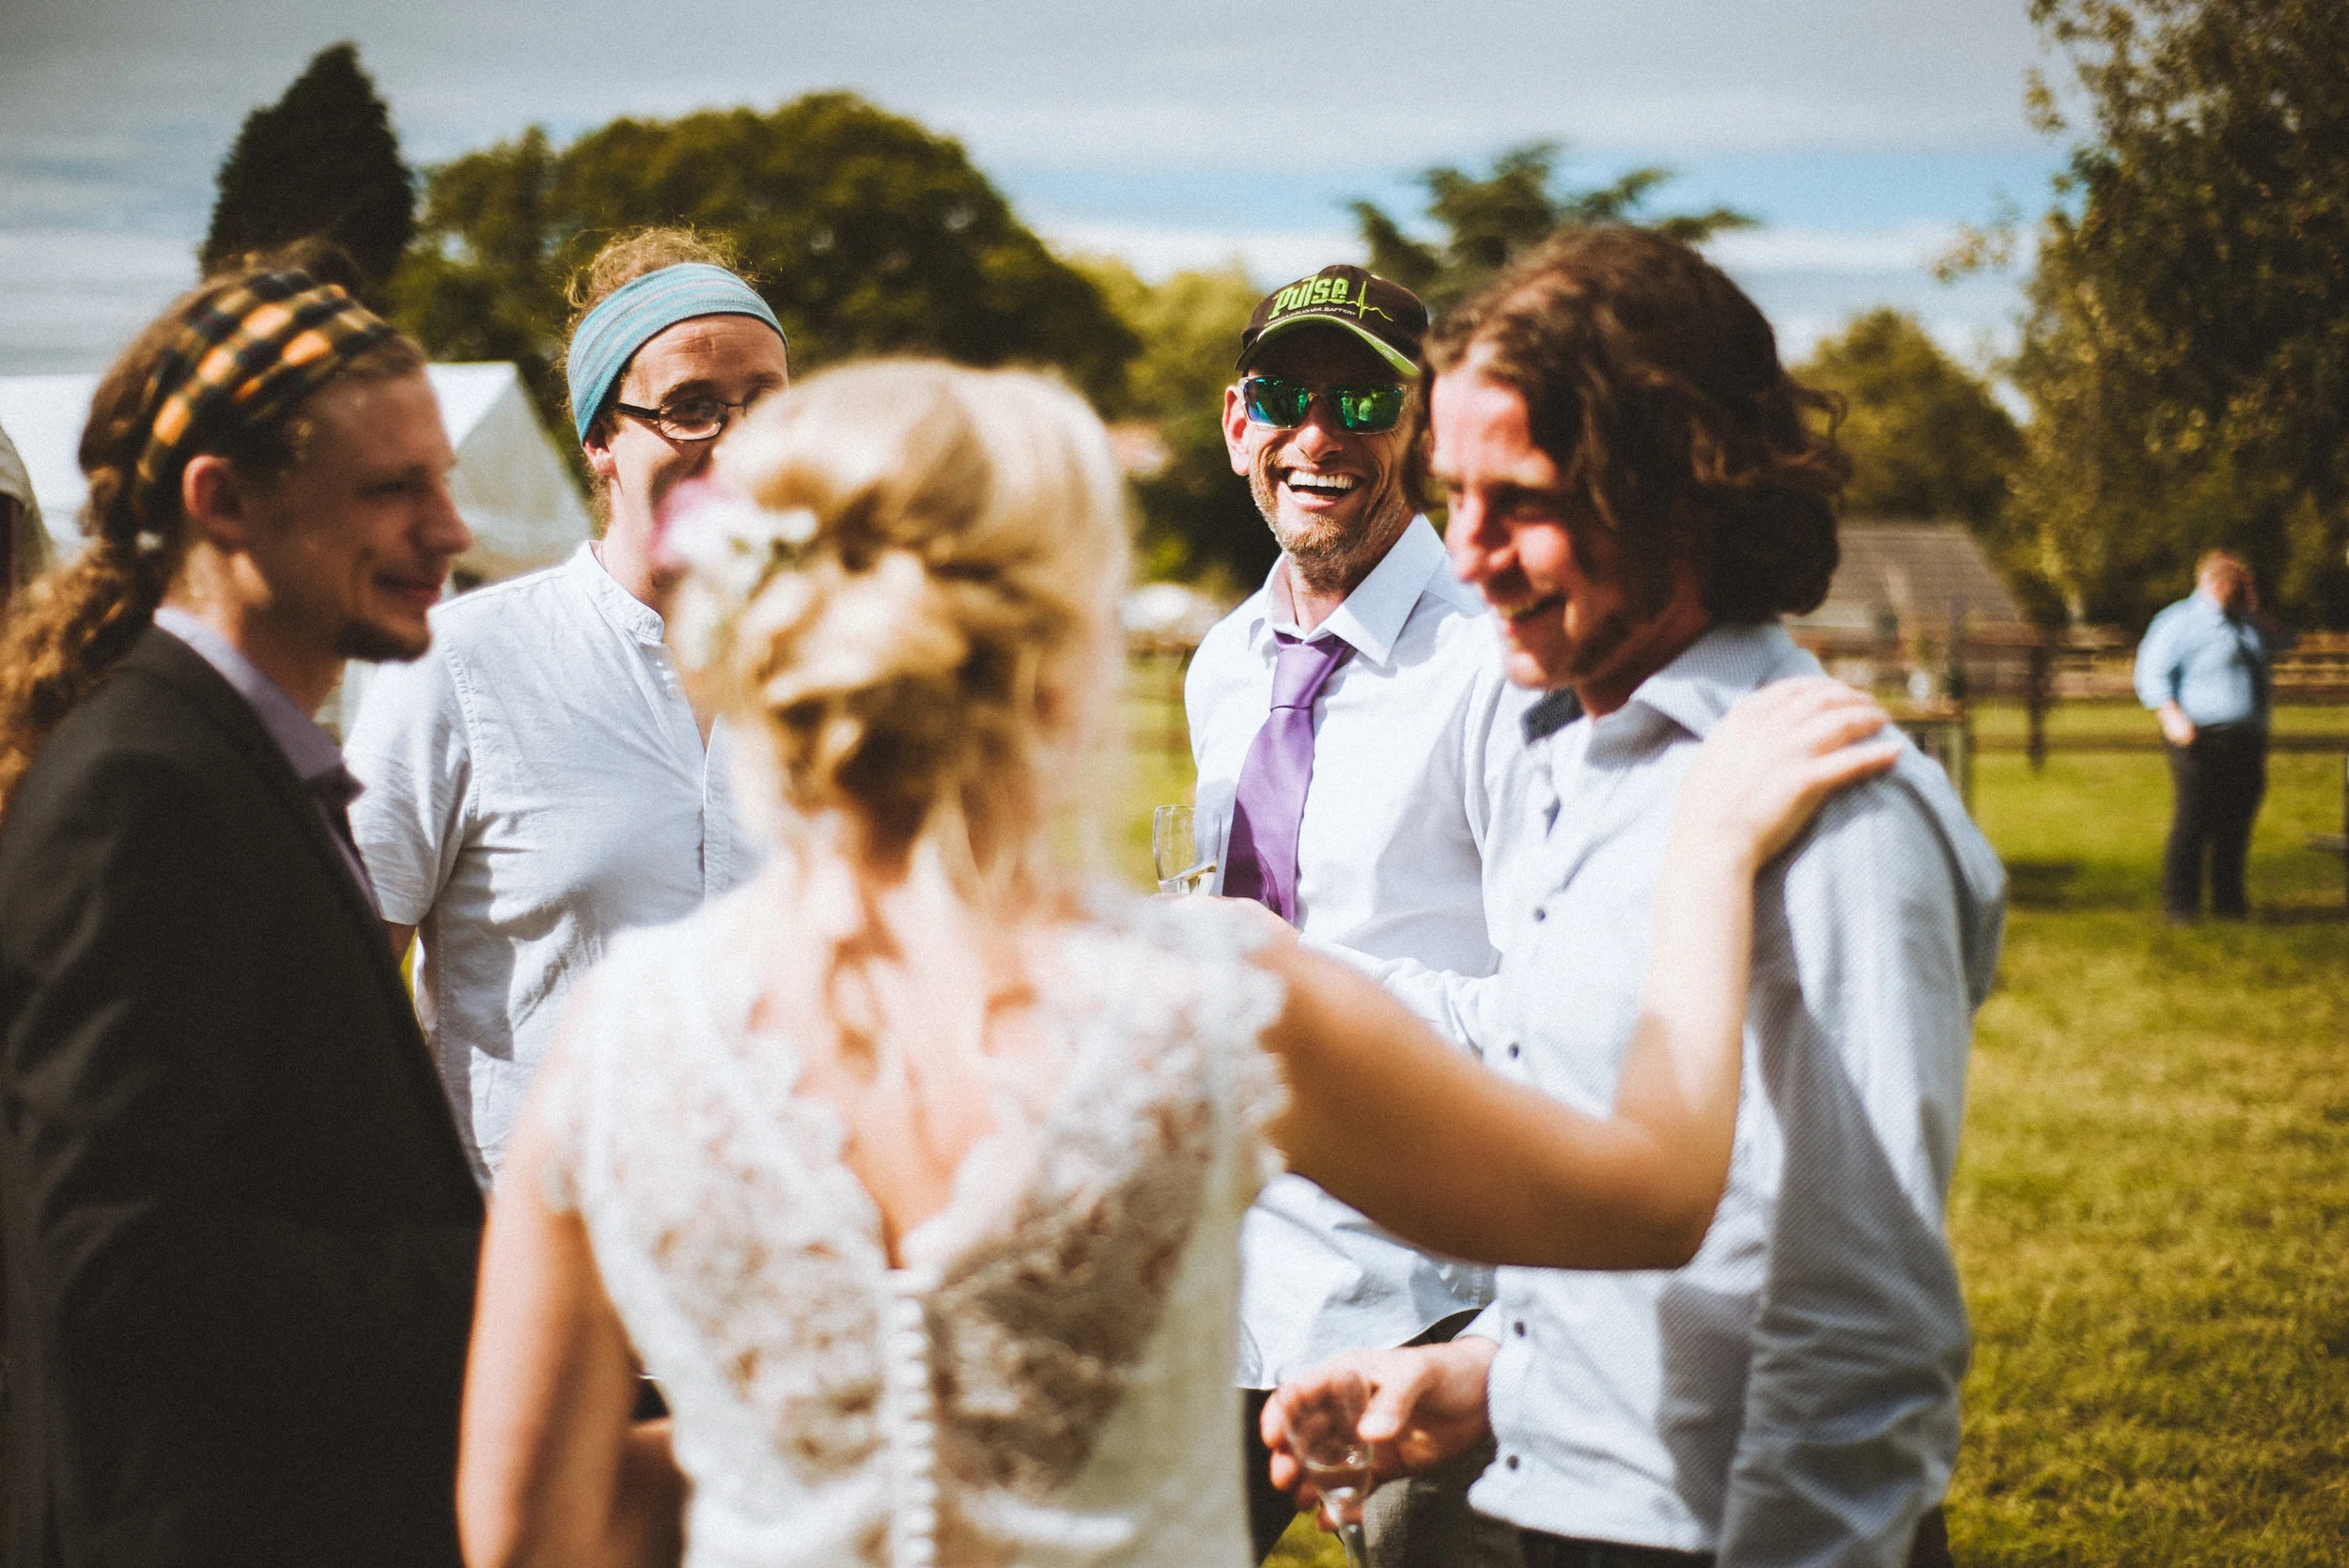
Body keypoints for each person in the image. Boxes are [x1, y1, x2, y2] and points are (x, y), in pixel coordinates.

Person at [454, 358, 1901, 1568]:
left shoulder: (616, 1039)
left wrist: (789, 1459)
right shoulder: (1210, 1003)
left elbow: (524, 1531)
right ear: (1063, 664)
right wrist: (1706, 852)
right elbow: (1651, 1195)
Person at [1266, 226, 2009, 1568]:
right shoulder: (1576, 756)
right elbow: (1582, 1120)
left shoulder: (1836, 809)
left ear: (1685, 488)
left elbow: (1860, 1335)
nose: (1468, 554)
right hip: (1548, 1506)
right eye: (1456, 494)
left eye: (1523, 501)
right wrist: (1487, 1375)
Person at [0, 260, 484, 1566]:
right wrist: (517, 1273)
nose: (449, 529)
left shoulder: (232, 760)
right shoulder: (144, 790)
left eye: (442, 482)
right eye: (393, 489)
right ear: (222, 501)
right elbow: (119, 1269)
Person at [1188, 263, 1535, 1565]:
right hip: (1231, 1267)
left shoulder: (1500, 665)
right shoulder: (1224, 664)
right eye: (1286, 396)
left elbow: (1563, 1009)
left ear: (1419, 429)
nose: (1318, 435)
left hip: (1427, 1291)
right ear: (1240, 423)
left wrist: (1305, 989)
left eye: (1362, 401)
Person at [345, 228, 790, 1186]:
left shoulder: (836, 672)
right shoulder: (461, 663)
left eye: (767, 403)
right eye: (692, 409)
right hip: (533, 1237)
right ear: (600, 441)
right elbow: (340, 989)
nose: (739, 443)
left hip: (783, 1236)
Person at [2133, 551, 2279, 921]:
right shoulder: (2179, 621)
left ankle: (2229, 902)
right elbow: (2151, 672)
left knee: (2236, 820)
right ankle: (2181, 906)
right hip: (2199, 738)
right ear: (2220, 583)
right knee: (2194, 819)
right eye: (2241, 585)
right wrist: (2171, 716)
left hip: (2244, 740)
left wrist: (2255, 609)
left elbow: (2285, 643)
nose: (2246, 592)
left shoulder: (2247, 625)